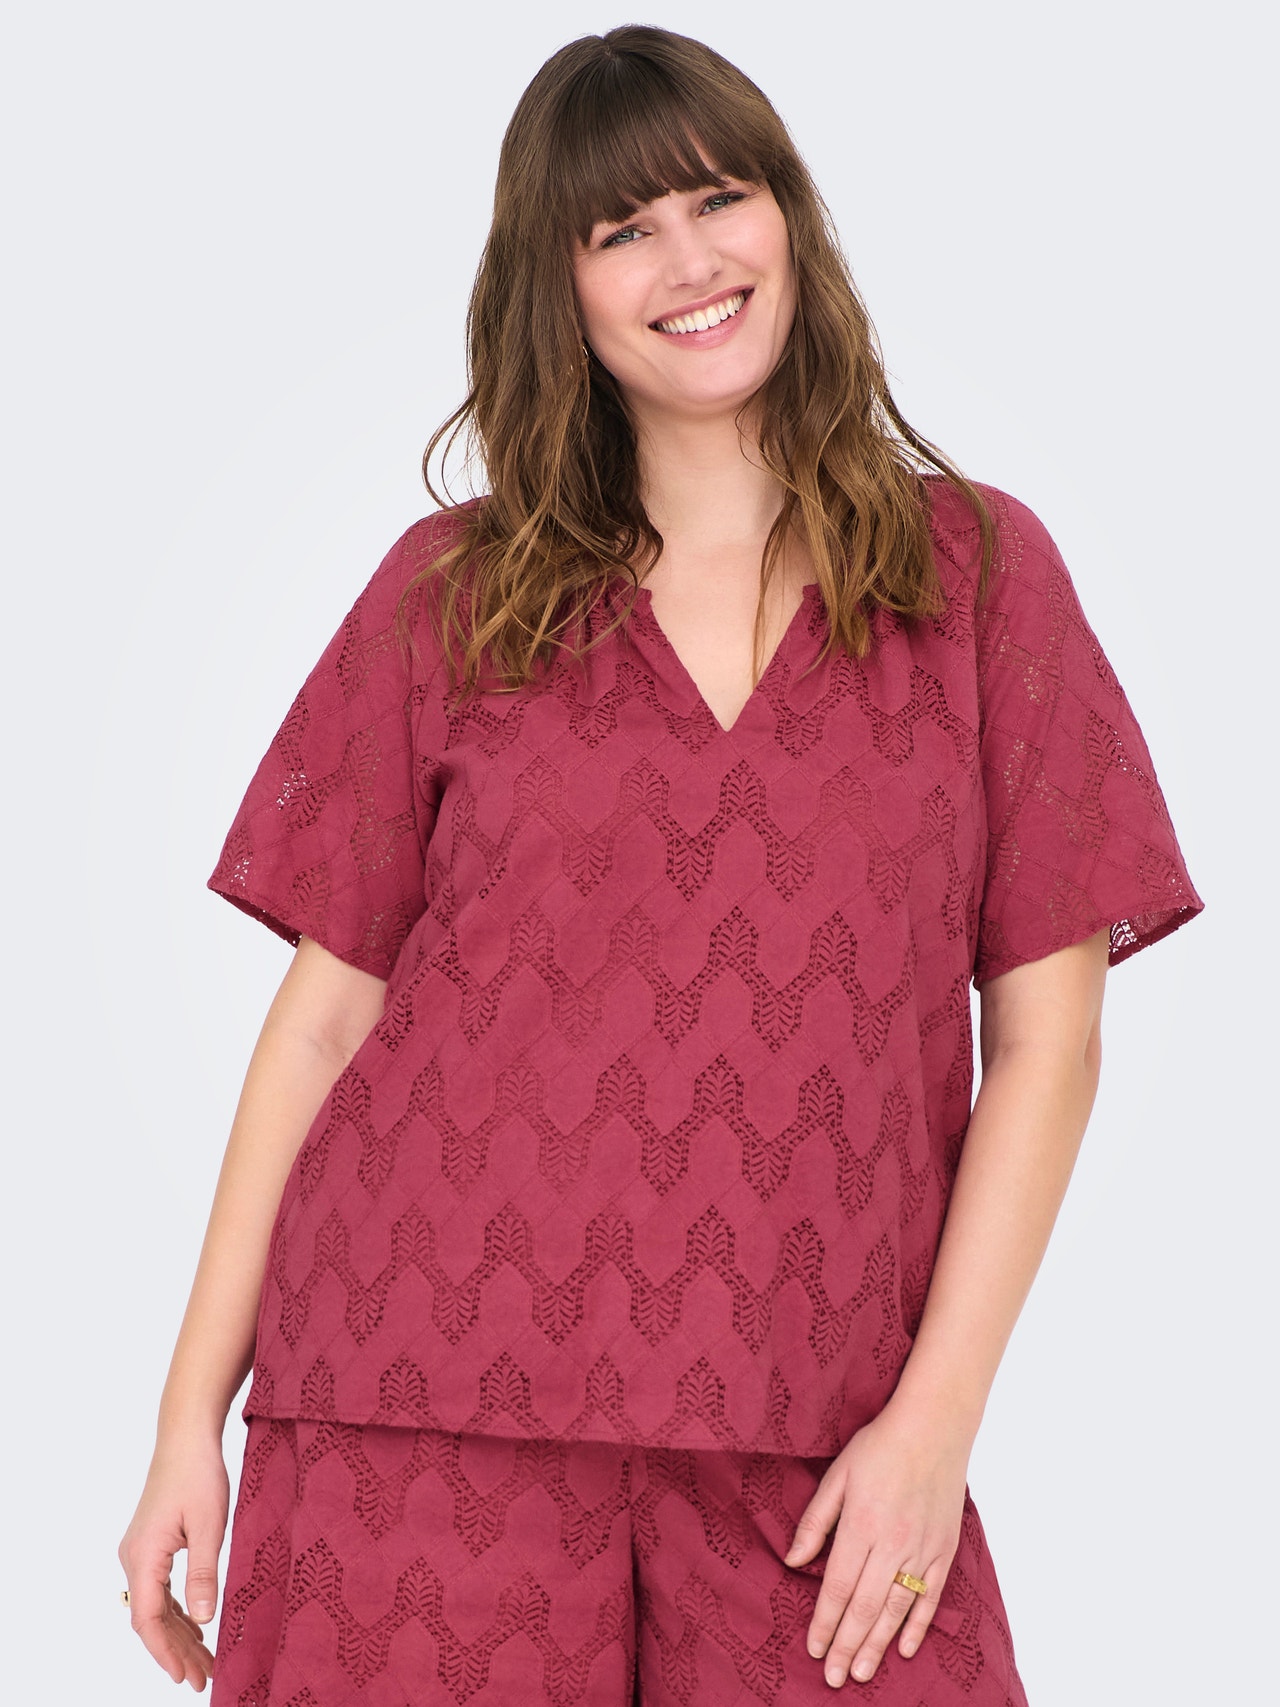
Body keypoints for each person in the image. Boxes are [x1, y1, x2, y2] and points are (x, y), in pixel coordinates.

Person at [118, 24, 1203, 1706]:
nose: (689, 261)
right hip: (419, 1413)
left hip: (816, 1435)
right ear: (558, 290)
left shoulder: (976, 575)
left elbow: (1050, 1043)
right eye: (623, 228)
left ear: (790, 219)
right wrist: (189, 1415)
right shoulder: (453, 594)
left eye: (719, 198)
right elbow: (325, 1022)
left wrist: (935, 1425)